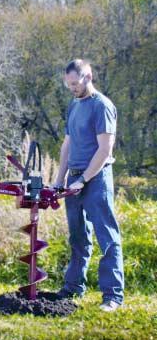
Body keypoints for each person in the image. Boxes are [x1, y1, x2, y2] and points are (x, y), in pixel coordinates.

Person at [53, 59, 124, 311]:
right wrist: (60, 179)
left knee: (107, 237)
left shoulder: (102, 106)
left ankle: (112, 296)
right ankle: (73, 288)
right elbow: (67, 145)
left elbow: (105, 150)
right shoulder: (74, 105)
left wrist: (84, 180)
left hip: (96, 179)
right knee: (78, 237)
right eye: (68, 84)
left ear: (88, 76)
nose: (71, 88)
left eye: (75, 83)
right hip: (74, 178)